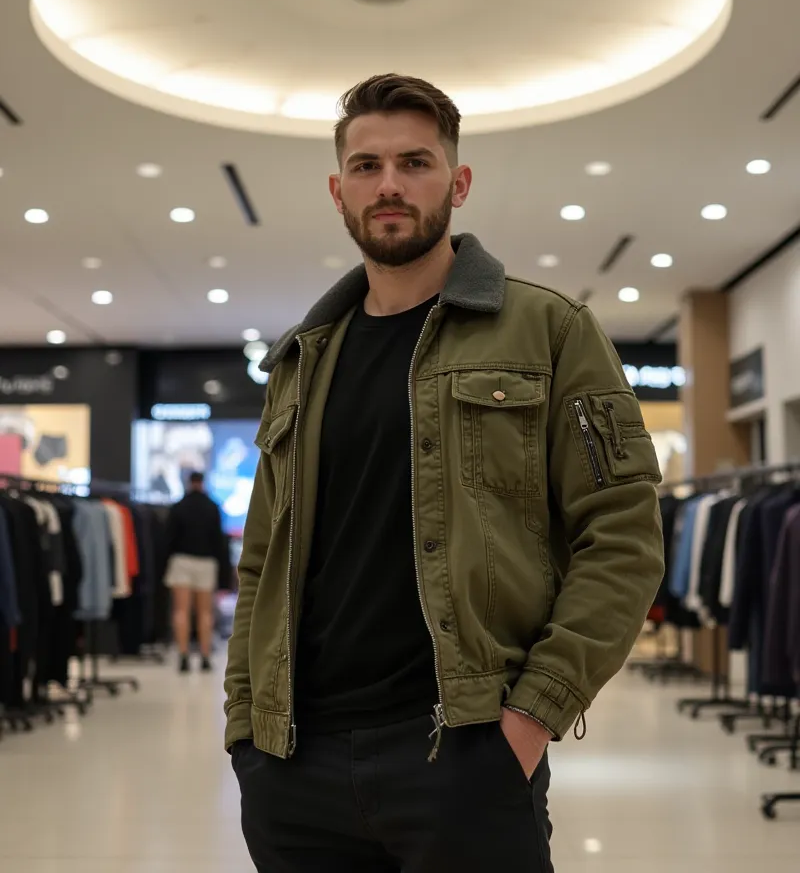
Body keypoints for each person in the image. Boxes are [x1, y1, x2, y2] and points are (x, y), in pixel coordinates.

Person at [225, 74, 664, 871]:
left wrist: (529, 721)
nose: (389, 184)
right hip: (296, 768)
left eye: (414, 162)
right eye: (366, 166)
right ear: (338, 191)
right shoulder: (302, 358)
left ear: (457, 182)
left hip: (461, 756)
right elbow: (263, 558)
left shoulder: (549, 330)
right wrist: (243, 732)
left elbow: (624, 536)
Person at [165, 471, 230, 673]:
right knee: (205, 612)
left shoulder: (178, 507)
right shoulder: (212, 507)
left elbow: (168, 540)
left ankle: (183, 655)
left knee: (181, 611)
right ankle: (205, 655)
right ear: (203, 483)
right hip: (206, 563)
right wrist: (224, 576)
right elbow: (220, 543)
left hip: (181, 560)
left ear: (188, 482)